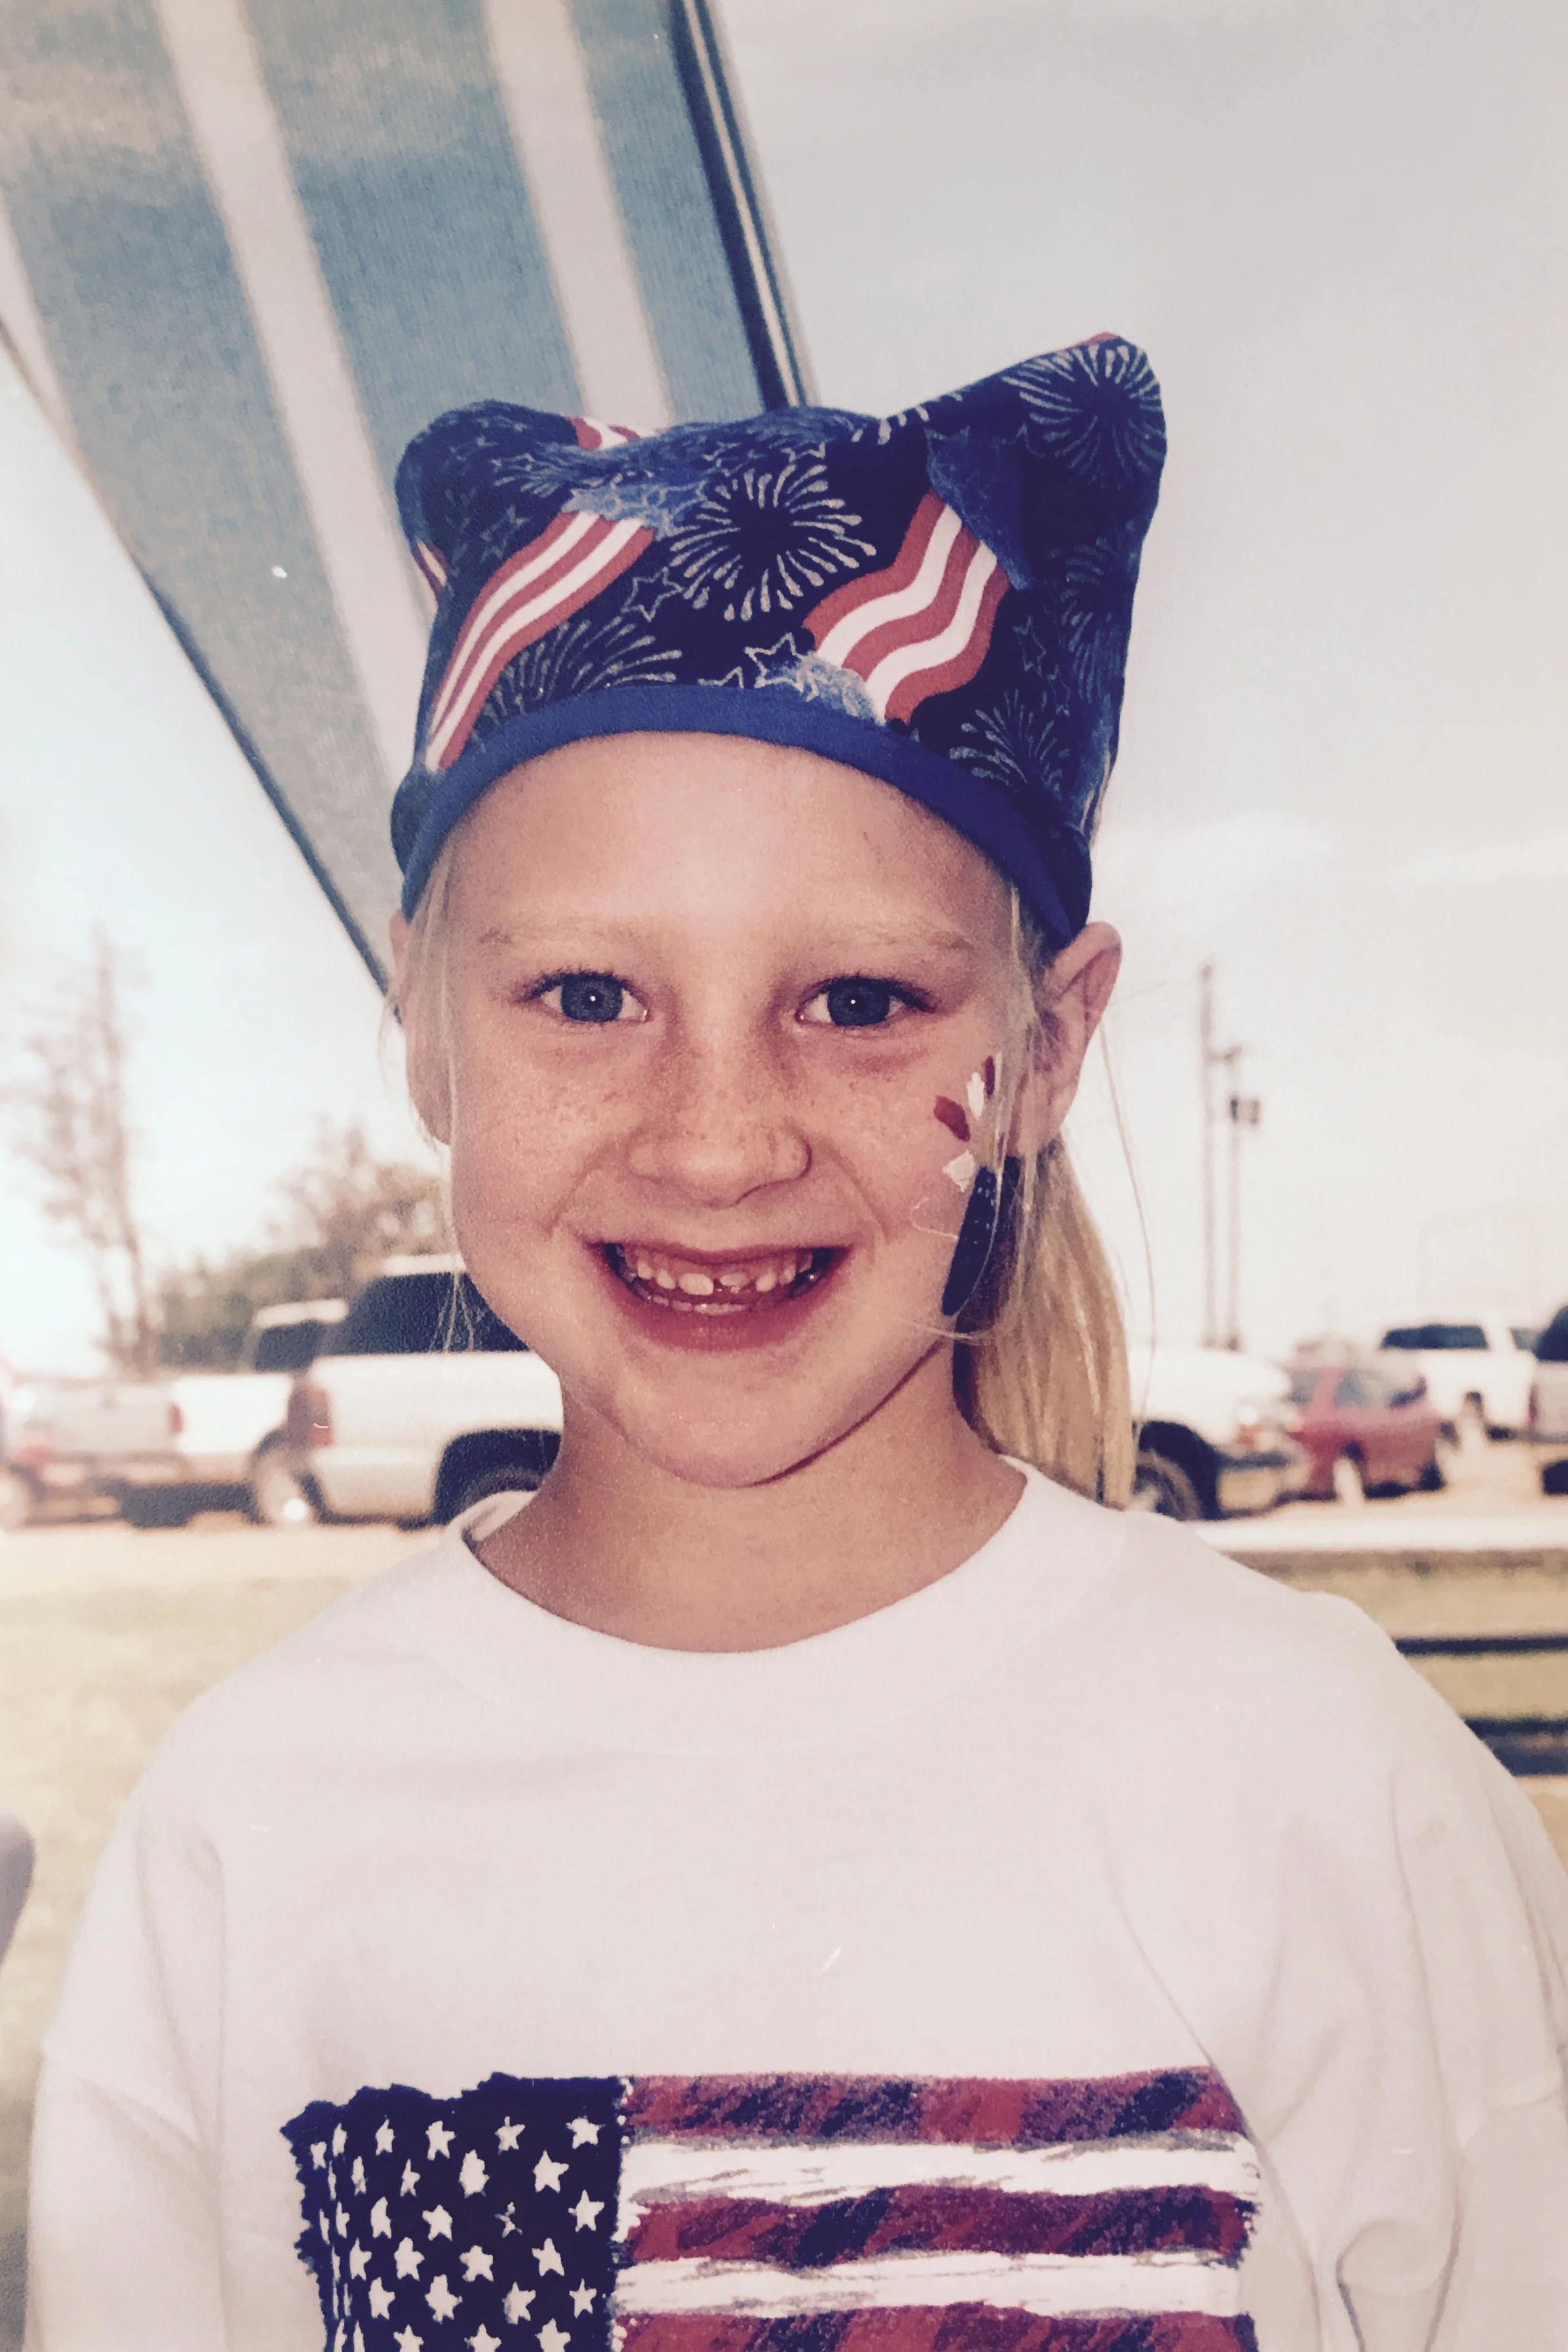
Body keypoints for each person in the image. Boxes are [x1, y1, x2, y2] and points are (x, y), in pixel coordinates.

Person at [25, 341, 1568, 2351]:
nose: (721, 1135)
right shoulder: (257, 1825)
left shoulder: (1326, 1787)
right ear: (420, 1021)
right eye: (587, 992)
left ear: (1048, 1047)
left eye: (858, 1000)